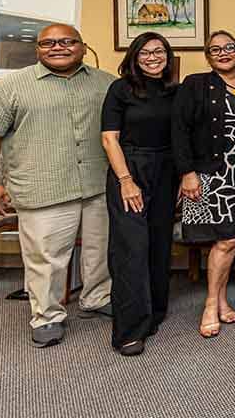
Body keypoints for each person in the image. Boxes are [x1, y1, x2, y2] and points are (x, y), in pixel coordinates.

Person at [0, 24, 114, 348]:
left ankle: (96, 297)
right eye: (48, 43)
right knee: (46, 258)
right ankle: (47, 316)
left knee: (100, 250)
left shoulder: (106, 84)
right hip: (43, 187)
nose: (57, 47)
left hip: (97, 185)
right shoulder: (11, 87)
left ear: (83, 46)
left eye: (66, 42)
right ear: (38, 49)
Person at [101, 32, 178, 356]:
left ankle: (154, 313)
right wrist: (126, 181)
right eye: (145, 52)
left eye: (159, 51)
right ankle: (129, 330)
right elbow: (109, 139)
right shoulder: (120, 90)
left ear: (167, 55)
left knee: (160, 243)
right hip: (130, 166)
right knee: (131, 248)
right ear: (134, 56)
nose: (152, 57)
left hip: (166, 168)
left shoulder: (175, 91)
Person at [173, 30, 235, 338]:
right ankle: (211, 304)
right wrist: (187, 172)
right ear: (208, 56)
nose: (223, 53)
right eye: (215, 49)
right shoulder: (194, 85)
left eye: (229, 47)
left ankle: (219, 299)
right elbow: (178, 130)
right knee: (224, 239)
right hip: (210, 174)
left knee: (230, 238)